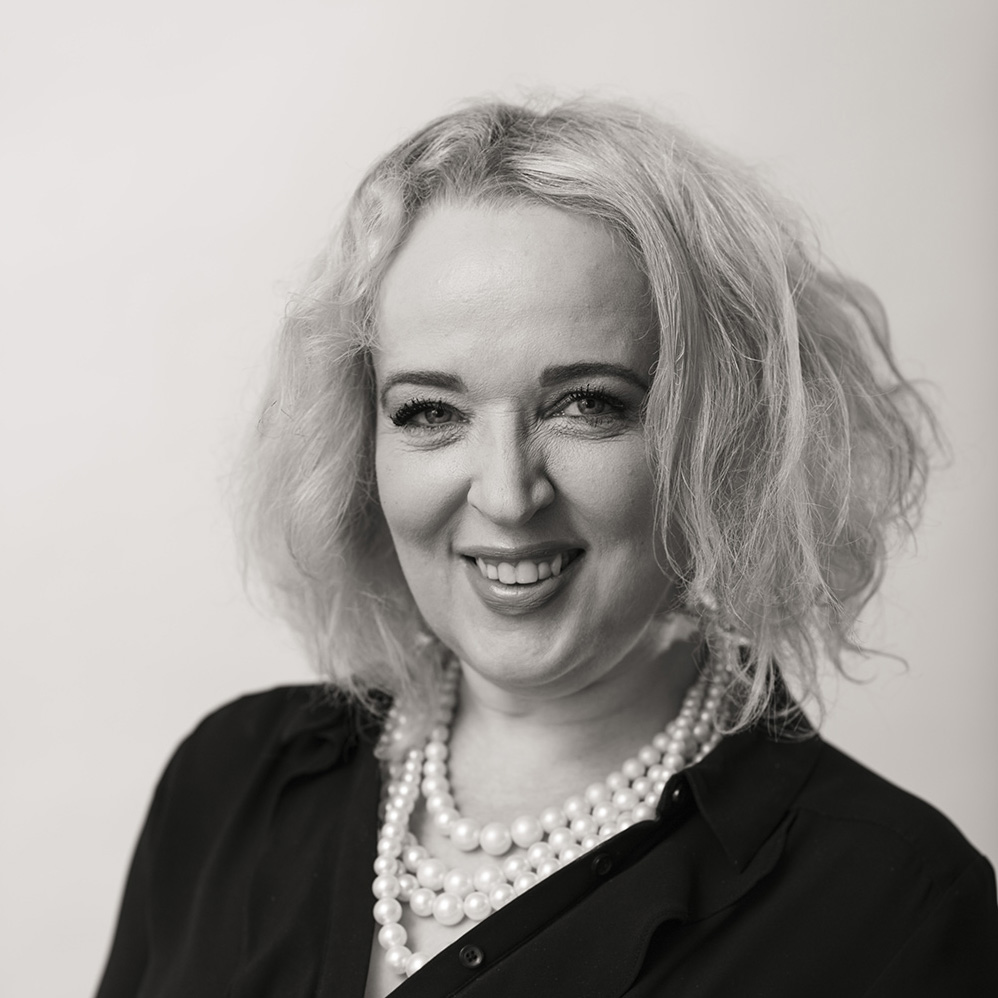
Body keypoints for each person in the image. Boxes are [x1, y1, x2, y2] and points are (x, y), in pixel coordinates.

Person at [95, 99, 998, 997]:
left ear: (721, 437)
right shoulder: (231, 786)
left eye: (587, 404)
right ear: (359, 445)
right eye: (430, 412)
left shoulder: (895, 911)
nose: (505, 493)